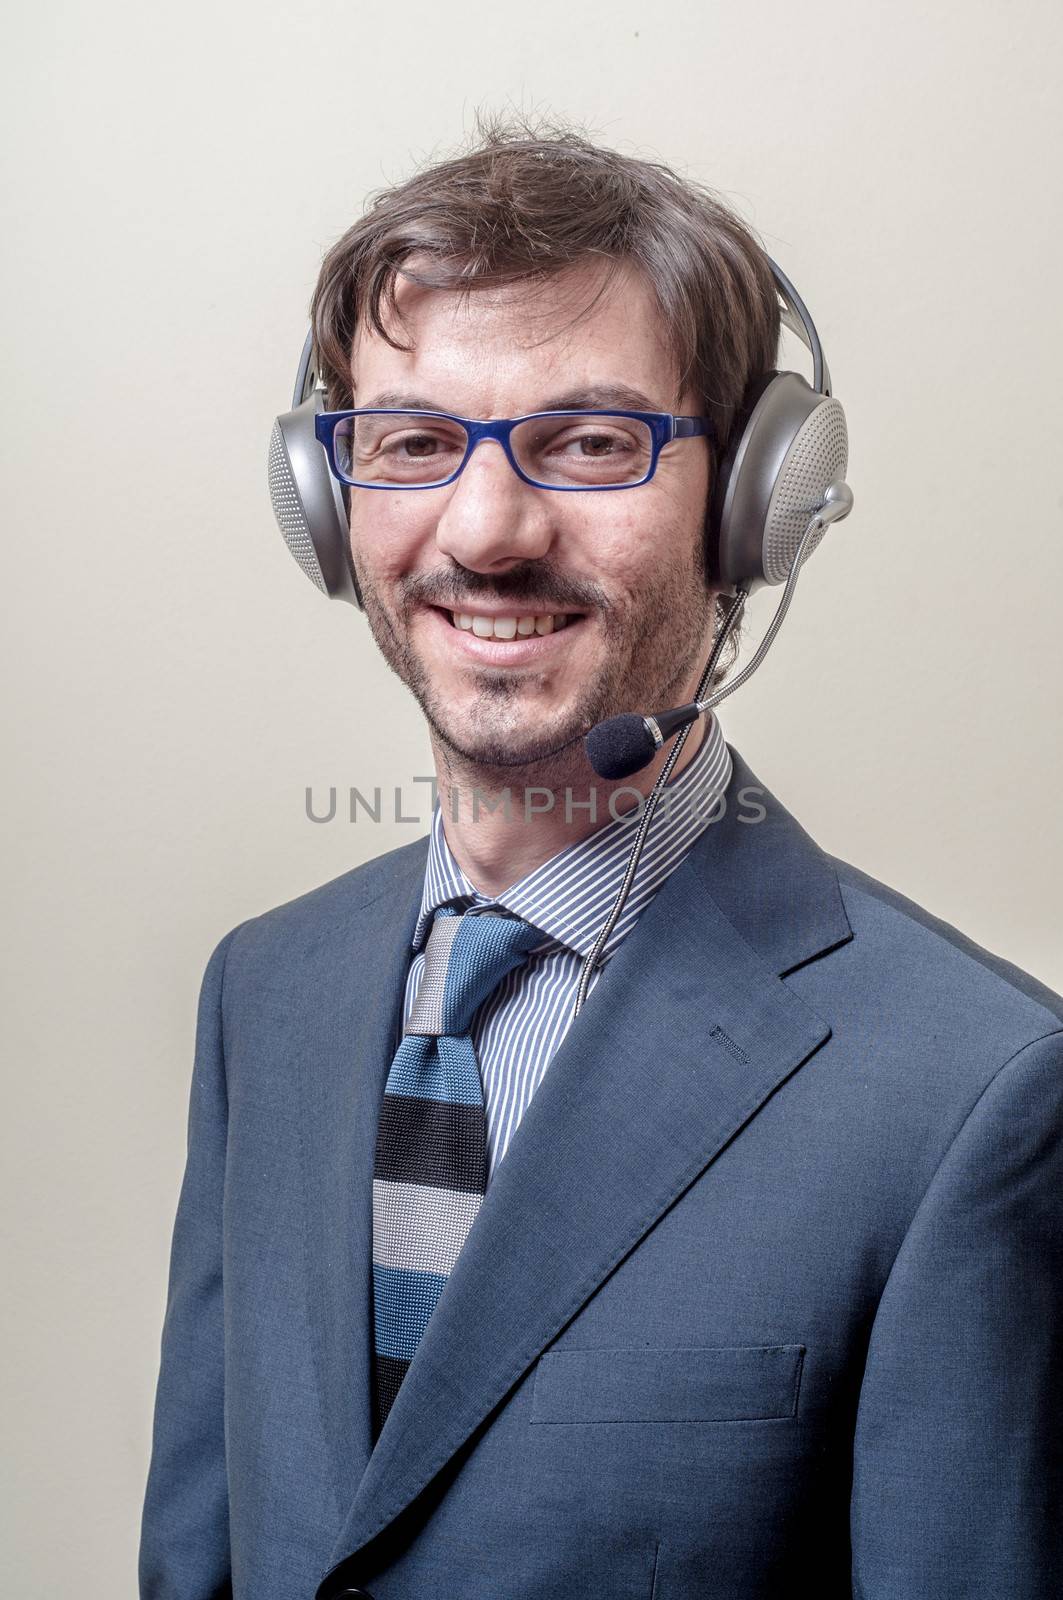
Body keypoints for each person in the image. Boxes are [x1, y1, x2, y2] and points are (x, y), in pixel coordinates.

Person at [139, 121, 1063, 1600]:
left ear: (757, 505)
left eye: (590, 441)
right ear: (328, 501)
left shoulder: (976, 1093)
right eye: (415, 443)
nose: (488, 532)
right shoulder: (264, 991)